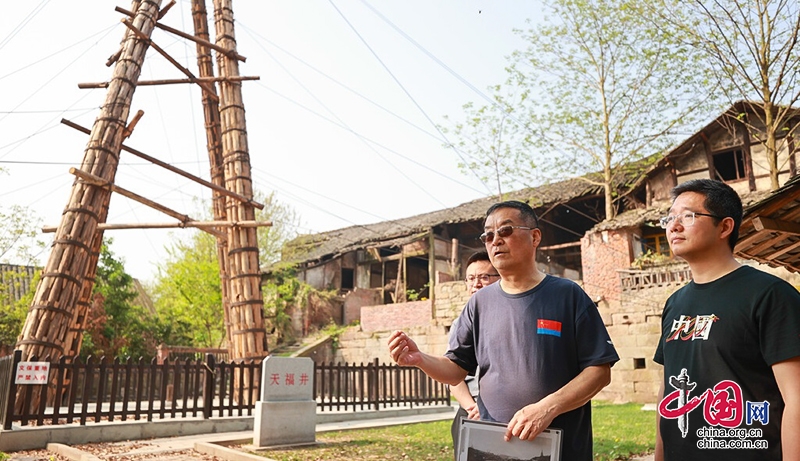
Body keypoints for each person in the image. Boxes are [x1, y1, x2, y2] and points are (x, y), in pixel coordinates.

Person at [388, 200, 618, 460]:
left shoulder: (568, 295)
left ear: (535, 237)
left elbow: (599, 371)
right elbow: (454, 370)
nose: (495, 240)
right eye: (488, 234)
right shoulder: (479, 303)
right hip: (494, 448)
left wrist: (548, 408)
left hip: (559, 448)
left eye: (505, 231)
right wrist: (420, 359)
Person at [653, 179, 800, 461]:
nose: (673, 225)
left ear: (725, 226)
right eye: (670, 217)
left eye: (688, 216)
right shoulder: (674, 303)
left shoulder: (770, 295)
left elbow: (797, 397)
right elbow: (667, 389)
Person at [449, 250, 499, 458]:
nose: (476, 284)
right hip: (470, 411)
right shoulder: (459, 324)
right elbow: (453, 376)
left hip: (501, 412)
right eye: (470, 279)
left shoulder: (511, 317)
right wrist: (472, 407)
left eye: (484, 277)